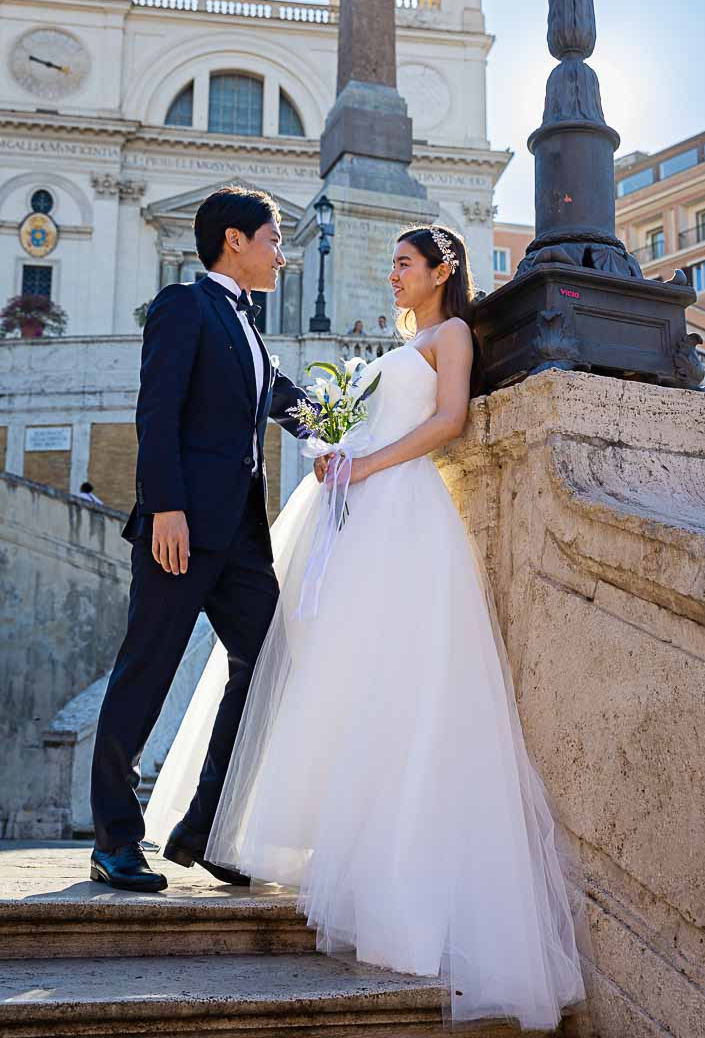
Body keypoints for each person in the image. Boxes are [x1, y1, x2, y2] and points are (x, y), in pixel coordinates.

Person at [145, 223, 585, 1031]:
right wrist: (335, 448)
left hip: (403, 518)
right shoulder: (400, 342)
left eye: (404, 265)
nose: (392, 277)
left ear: (441, 272)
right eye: (392, 265)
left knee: (396, 685)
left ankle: (392, 885)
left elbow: (449, 420)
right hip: (356, 516)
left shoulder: (451, 335)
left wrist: (368, 462)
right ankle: (290, 839)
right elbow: (351, 422)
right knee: (327, 673)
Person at [89, 186, 315, 893]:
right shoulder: (184, 307)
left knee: (272, 662)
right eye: (274, 238)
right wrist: (165, 509)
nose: (283, 252)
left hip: (242, 540)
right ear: (234, 241)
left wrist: (360, 423)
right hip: (179, 531)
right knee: (145, 674)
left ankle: (209, 829)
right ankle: (115, 842)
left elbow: (283, 399)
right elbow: (156, 412)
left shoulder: (249, 326)